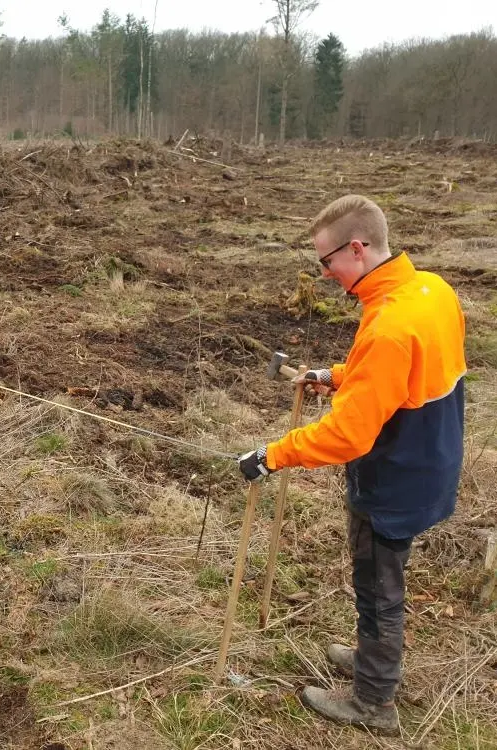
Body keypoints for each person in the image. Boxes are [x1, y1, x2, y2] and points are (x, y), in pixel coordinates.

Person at [237, 195, 466, 735]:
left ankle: (372, 701)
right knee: (385, 583)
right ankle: (375, 662)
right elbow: (403, 373)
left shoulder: (388, 325)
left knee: (378, 588)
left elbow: (348, 434)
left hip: (393, 479)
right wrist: (337, 375)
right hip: (430, 461)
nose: (325, 274)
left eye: (327, 261)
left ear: (356, 249)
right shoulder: (429, 290)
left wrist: (272, 455)